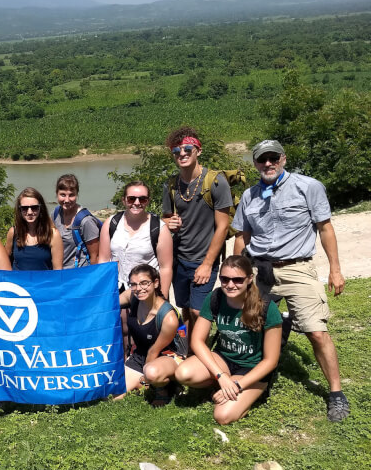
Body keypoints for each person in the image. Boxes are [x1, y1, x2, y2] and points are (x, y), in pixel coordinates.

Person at [233, 140, 349, 421]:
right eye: (262, 160)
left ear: (283, 159)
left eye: (273, 158)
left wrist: (335, 269)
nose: (268, 164)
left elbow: (325, 228)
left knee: (316, 332)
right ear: (255, 164)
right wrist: (238, 272)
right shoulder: (249, 196)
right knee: (251, 326)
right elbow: (241, 236)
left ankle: (336, 393)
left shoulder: (308, 187)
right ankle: (257, 375)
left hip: (298, 269)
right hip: (261, 270)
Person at [175, 255, 282, 425]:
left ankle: (252, 391)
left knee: (222, 416)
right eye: (224, 279)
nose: (230, 285)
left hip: (253, 368)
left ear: (249, 279)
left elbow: (271, 361)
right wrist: (221, 376)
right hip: (224, 359)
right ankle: (225, 385)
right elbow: (196, 340)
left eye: (237, 280)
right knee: (183, 373)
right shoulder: (216, 297)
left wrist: (238, 384)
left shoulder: (266, 307)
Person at [161, 127, 232, 340]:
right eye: (176, 151)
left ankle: (202, 352)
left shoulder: (215, 182)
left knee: (198, 311)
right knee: (185, 307)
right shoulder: (171, 185)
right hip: (179, 259)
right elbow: (166, 219)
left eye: (187, 149)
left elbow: (222, 226)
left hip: (204, 259)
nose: (182, 154)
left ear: (198, 151)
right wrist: (167, 222)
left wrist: (208, 264)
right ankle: (189, 350)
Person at [116, 264, 183, 406]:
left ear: (156, 283)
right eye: (133, 284)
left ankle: (165, 388)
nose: (139, 288)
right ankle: (148, 382)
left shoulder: (168, 317)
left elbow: (154, 351)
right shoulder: (132, 297)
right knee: (114, 396)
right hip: (140, 355)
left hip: (168, 356)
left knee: (151, 372)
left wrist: (146, 379)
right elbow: (109, 303)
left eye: (144, 283)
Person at [100, 181, 173, 297]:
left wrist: (162, 299)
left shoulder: (159, 228)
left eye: (142, 199)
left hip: (146, 292)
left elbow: (166, 268)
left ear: (148, 201)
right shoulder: (111, 223)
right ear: (124, 200)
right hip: (117, 287)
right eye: (131, 199)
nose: (137, 203)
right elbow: (103, 260)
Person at [5, 187, 63, 271]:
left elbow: (57, 271)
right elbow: (5, 265)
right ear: (19, 210)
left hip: (43, 283)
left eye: (34, 207)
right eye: (24, 208)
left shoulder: (53, 235)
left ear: (40, 208)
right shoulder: (13, 233)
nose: (29, 212)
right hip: (18, 283)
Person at [52, 174, 100, 268]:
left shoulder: (86, 221)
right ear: (56, 194)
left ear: (77, 195)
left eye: (71, 195)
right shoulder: (55, 213)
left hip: (79, 274)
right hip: (59, 272)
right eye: (63, 195)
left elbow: (95, 257)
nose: (67, 200)